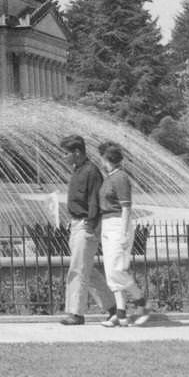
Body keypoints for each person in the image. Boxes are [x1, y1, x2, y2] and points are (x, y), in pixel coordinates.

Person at [58, 134, 114, 325]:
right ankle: (113, 307)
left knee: (77, 269)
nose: (62, 157)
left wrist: (90, 222)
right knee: (87, 271)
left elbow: (95, 201)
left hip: (85, 225)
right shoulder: (78, 170)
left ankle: (76, 313)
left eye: (65, 153)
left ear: (76, 152)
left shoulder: (91, 172)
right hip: (76, 224)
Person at [97, 142, 149, 326]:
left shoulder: (120, 178)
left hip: (118, 224)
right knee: (111, 271)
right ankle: (121, 315)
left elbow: (126, 207)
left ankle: (140, 301)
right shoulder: (110, 177)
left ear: (106, 159)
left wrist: (124, 233)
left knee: (117, 270)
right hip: (107, 224)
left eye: (101, 157)